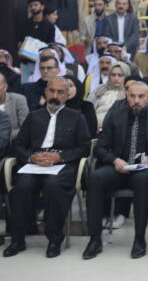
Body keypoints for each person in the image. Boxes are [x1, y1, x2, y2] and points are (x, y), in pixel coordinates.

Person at [82, 82, 148, 260]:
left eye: (141, 96)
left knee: (142, 180)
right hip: (119, 165)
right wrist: (115, 160)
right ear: (126, 96)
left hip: (145, 167)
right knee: (94, 178)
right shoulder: (116, 115)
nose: (136, 100)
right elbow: (100, 147)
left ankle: (139, 239)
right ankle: (94, 239)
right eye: (132, 96)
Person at [3, 77, 90, 258]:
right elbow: (18, 145)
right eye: (51, 91)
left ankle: (54, 238)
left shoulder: (77, 117)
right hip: (34, 163)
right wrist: (31, 157)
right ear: (45, 92)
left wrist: (60, 157)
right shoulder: (34, 116)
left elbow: (84, 147)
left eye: (60, 92)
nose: (55, 95)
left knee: (53, 185)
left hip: (62, 164)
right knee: (21, 187)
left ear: (67, 95)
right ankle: (18, 240)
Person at [19, 0, 55, 81]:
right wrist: (21, 48)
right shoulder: (25, 24)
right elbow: (20, 42)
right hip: (26, 63)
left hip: (42, 64)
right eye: (31, 5)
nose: (33, 7)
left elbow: (51, 45)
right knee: (26, 86)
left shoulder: (49, 26)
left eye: (36, 5)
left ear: (42, 6)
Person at [92, 62, 131, 127]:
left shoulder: (130, 92)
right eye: (113, 75)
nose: (116, 78)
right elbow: (90, 109)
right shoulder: (100, 89)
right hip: (95, 126)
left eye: (120, 75)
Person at [0, 72, 28, 142]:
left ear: (5, 86)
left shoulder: (18, 100)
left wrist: (4, 137)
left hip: (13, 143)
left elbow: (25, 127)